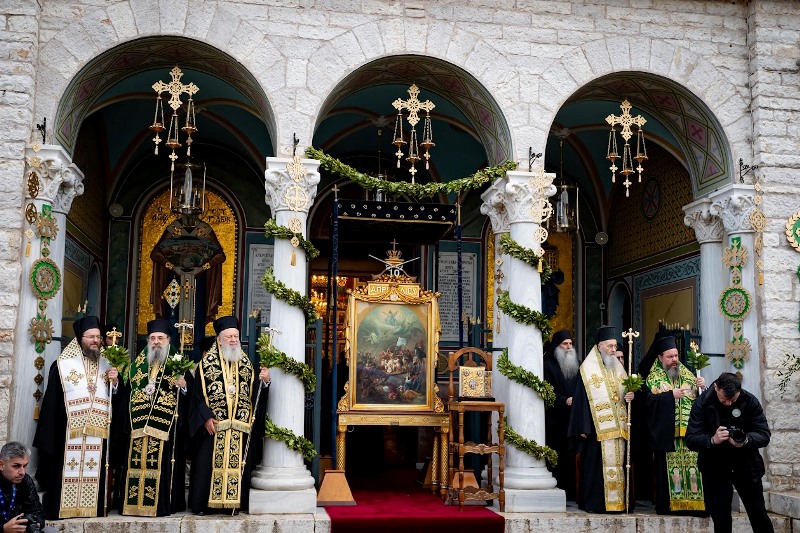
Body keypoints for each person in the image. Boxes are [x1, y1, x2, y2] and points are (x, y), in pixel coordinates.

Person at [33, 315, 119, 520]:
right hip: (68, 431)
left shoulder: (108, 363)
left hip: (98, 432)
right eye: (91, 337)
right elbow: (52, 402)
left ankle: (93, 509)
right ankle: (63, 508)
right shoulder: (62, 365)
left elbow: (117, 396)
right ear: (80, 338)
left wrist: (115, 382)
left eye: (98, 337)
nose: (95, 341)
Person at [187, 316, 270, 514]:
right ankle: (206, 506)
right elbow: (196, 396)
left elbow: (254, 394)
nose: (233, 340)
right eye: (229, 337)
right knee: (207, 467)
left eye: (236, 336)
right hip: (214, 427)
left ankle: (233, 504)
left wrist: (266, 381)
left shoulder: (247, 364)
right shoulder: (205, 365)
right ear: (219, 340)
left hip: (239, 428)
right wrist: (206, 417)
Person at [118, 319, 189, 516]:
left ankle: (161, 506)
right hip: (139, 427)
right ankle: (134, 506)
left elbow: (189, 397)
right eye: (152, 338)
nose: (156, 342)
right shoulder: (137, 365)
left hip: (165, 428)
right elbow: (128, 393)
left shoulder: (178, 363)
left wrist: (183, 386)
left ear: (168, 340)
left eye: (160, 338)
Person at [686, 373, 773, 533]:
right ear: (716, 387)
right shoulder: (702, 403)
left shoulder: (749, 401)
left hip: (746, 465)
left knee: (759, 516)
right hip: (715, 468)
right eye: (724, 399)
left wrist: (746, 440)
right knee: (721, 520)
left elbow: (764, 434)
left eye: (733, 400)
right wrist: (712, 440)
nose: (728, 403)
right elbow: (691, 439)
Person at [567, 325, 634, 513]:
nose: (613, 350)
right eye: (610, 346)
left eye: (615, 346)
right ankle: (598, 504)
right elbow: (581, 400)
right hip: (596, 430)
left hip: (618, 429)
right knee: (596, 469)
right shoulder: (587, 370)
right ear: (599, 347)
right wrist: (583, 426)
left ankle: (619, 503)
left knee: (619, 466)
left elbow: (622, 396)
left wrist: (631, 396)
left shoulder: (619, 369)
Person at [642, 335, 706, 514]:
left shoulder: (689, 376)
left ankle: (695, 505)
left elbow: (702, 403)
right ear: (660, 358)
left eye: (676, 356)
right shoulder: (653, 379)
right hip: (668, 436)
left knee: (693, 471)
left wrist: (703, 388)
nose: (674, 360)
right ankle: (671, 506)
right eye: (670, 357)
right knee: (672, 473)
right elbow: (648, 403)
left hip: (689, 435)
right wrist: (670, 396)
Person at [542, 329, 580, 500]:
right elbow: (547, 390)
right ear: (557, 346)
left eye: (570, 343)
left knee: (571, 454)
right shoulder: (548, 365)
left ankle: (572, 492)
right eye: (565, 344)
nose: (569, 347)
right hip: (556, 419)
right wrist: (564, 400)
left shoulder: (577, 364)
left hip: (573, 418)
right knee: (558, 456)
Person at [0, 442, 56, 533]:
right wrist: (3, 528)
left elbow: (38, 512)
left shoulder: (25, 481)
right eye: (16, 466)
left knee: (51, 531)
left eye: (25, 466)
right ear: (1, 465)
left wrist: (33, 522)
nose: (22, 472)